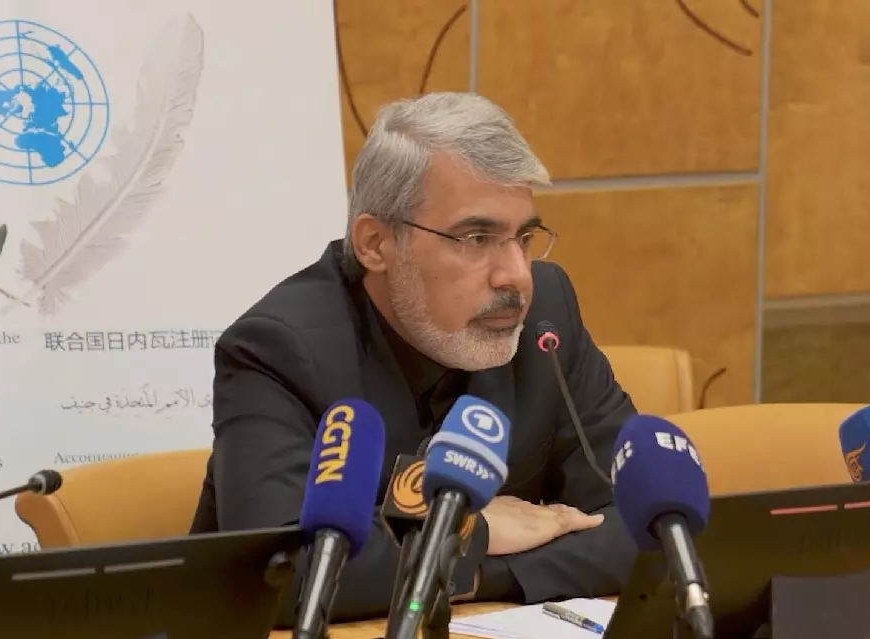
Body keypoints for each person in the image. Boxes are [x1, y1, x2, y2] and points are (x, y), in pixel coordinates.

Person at [189, 92, 638, 625]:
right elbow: (287, 570)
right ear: (375, 243)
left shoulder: (547, 317)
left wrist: (476, 571)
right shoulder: (279, 349)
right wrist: (475, 534)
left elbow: (647, 526)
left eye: (523, 237)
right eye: (476, 238)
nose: (516, 276)